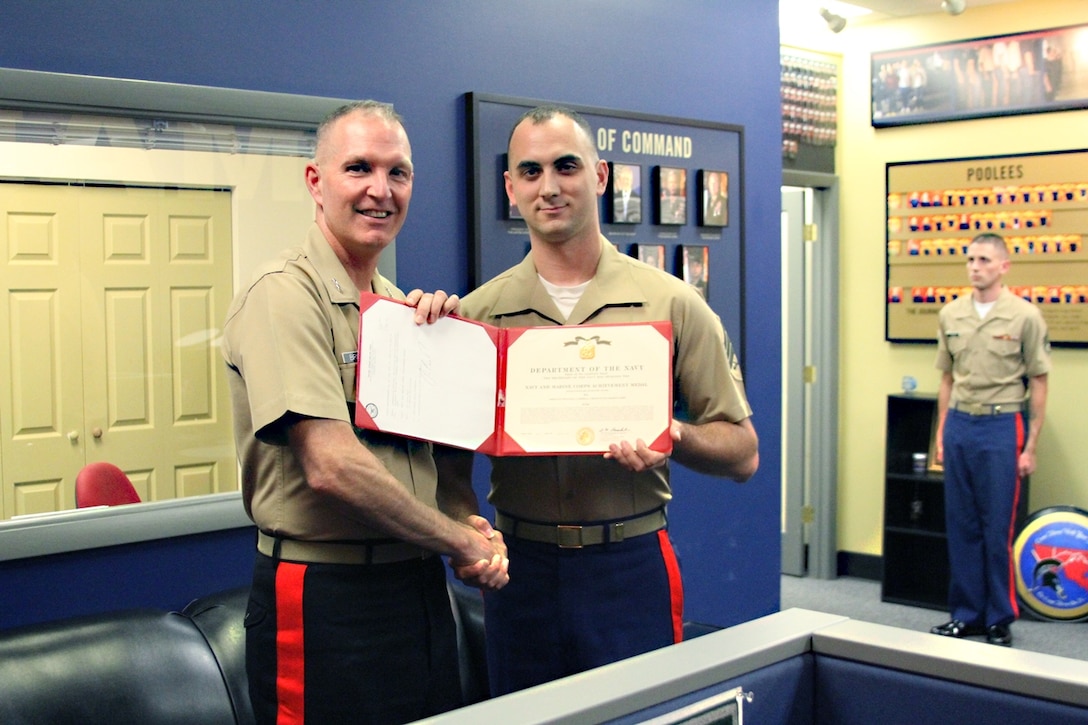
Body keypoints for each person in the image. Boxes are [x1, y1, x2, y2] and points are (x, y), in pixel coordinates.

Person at [436, 105, 759, 695]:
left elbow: (742, 453)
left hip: (629, 564)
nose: (549, 187)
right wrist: (467, 531)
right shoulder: (480, 316)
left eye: (566, 166)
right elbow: (449, 467)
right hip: (521, 571)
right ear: (510, 188)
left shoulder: (674, 303)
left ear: (601, 175)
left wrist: (675, 436)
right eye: (530, 172)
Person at [221, 100, 508, 725]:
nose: (381, 190)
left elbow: (438, 468)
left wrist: (470, 522)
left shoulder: (403, 313)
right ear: (315, 182)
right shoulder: (282, 295)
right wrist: (459, 541)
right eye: (359, 168)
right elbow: (331, 466)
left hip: (417, 589)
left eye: (398, 172)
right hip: (327, 598)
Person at [930, 232, 1050, 648]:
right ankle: (966, 615)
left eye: (983, 260)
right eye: (970, 260)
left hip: (1002, 427)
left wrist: (1030, 444)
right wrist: (942, 433)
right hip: (961, 423)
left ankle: (999, 617)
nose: (974, 267)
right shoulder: (951, 315)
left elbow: (1038, 380)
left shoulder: (1024, 316)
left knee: (996, 527)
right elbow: (946, 378)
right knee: (961, 525)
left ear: (1003, 266)